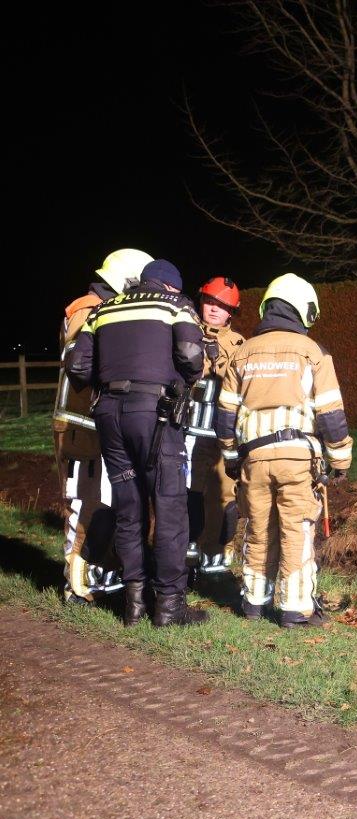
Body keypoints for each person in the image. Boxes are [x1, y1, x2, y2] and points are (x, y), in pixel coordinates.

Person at [64, 259, 208, 627]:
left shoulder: (104, 310)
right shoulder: (176, 307)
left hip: (109, 415)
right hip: (154, 415)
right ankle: (170, 607)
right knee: (169, 504)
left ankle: (134, 605)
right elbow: (192, 358)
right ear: (171, 286)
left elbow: (78, 367)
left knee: (128, 505)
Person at [215, 273, 353, 628]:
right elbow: (331, 414)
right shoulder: (313, 353)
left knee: (258, 530)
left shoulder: (242, 353)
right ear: (304, 310)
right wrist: (341, 460)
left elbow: (226, 414)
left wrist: (231, 458)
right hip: (296, 459)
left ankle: (253, 604)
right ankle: (295, 610)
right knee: (296, 530)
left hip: (253, 460)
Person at [53, 248, 152, 604]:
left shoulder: (103, 309)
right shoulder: (87, 309)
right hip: (82, 428)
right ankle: (76, 585)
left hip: (97, 424)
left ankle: (96, 574)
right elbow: (79, 362)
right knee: (86, 503)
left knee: (105, 501)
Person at [186, 277, 245, 573]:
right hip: (187, 431)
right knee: (189, 492)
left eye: (222, 306)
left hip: (221, 433)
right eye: (210, 302)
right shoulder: (184, 332)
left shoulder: (239, 345)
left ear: (230, 312)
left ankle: (218, 553)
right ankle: (187, 551)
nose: (214, 309)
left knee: (223, 494)